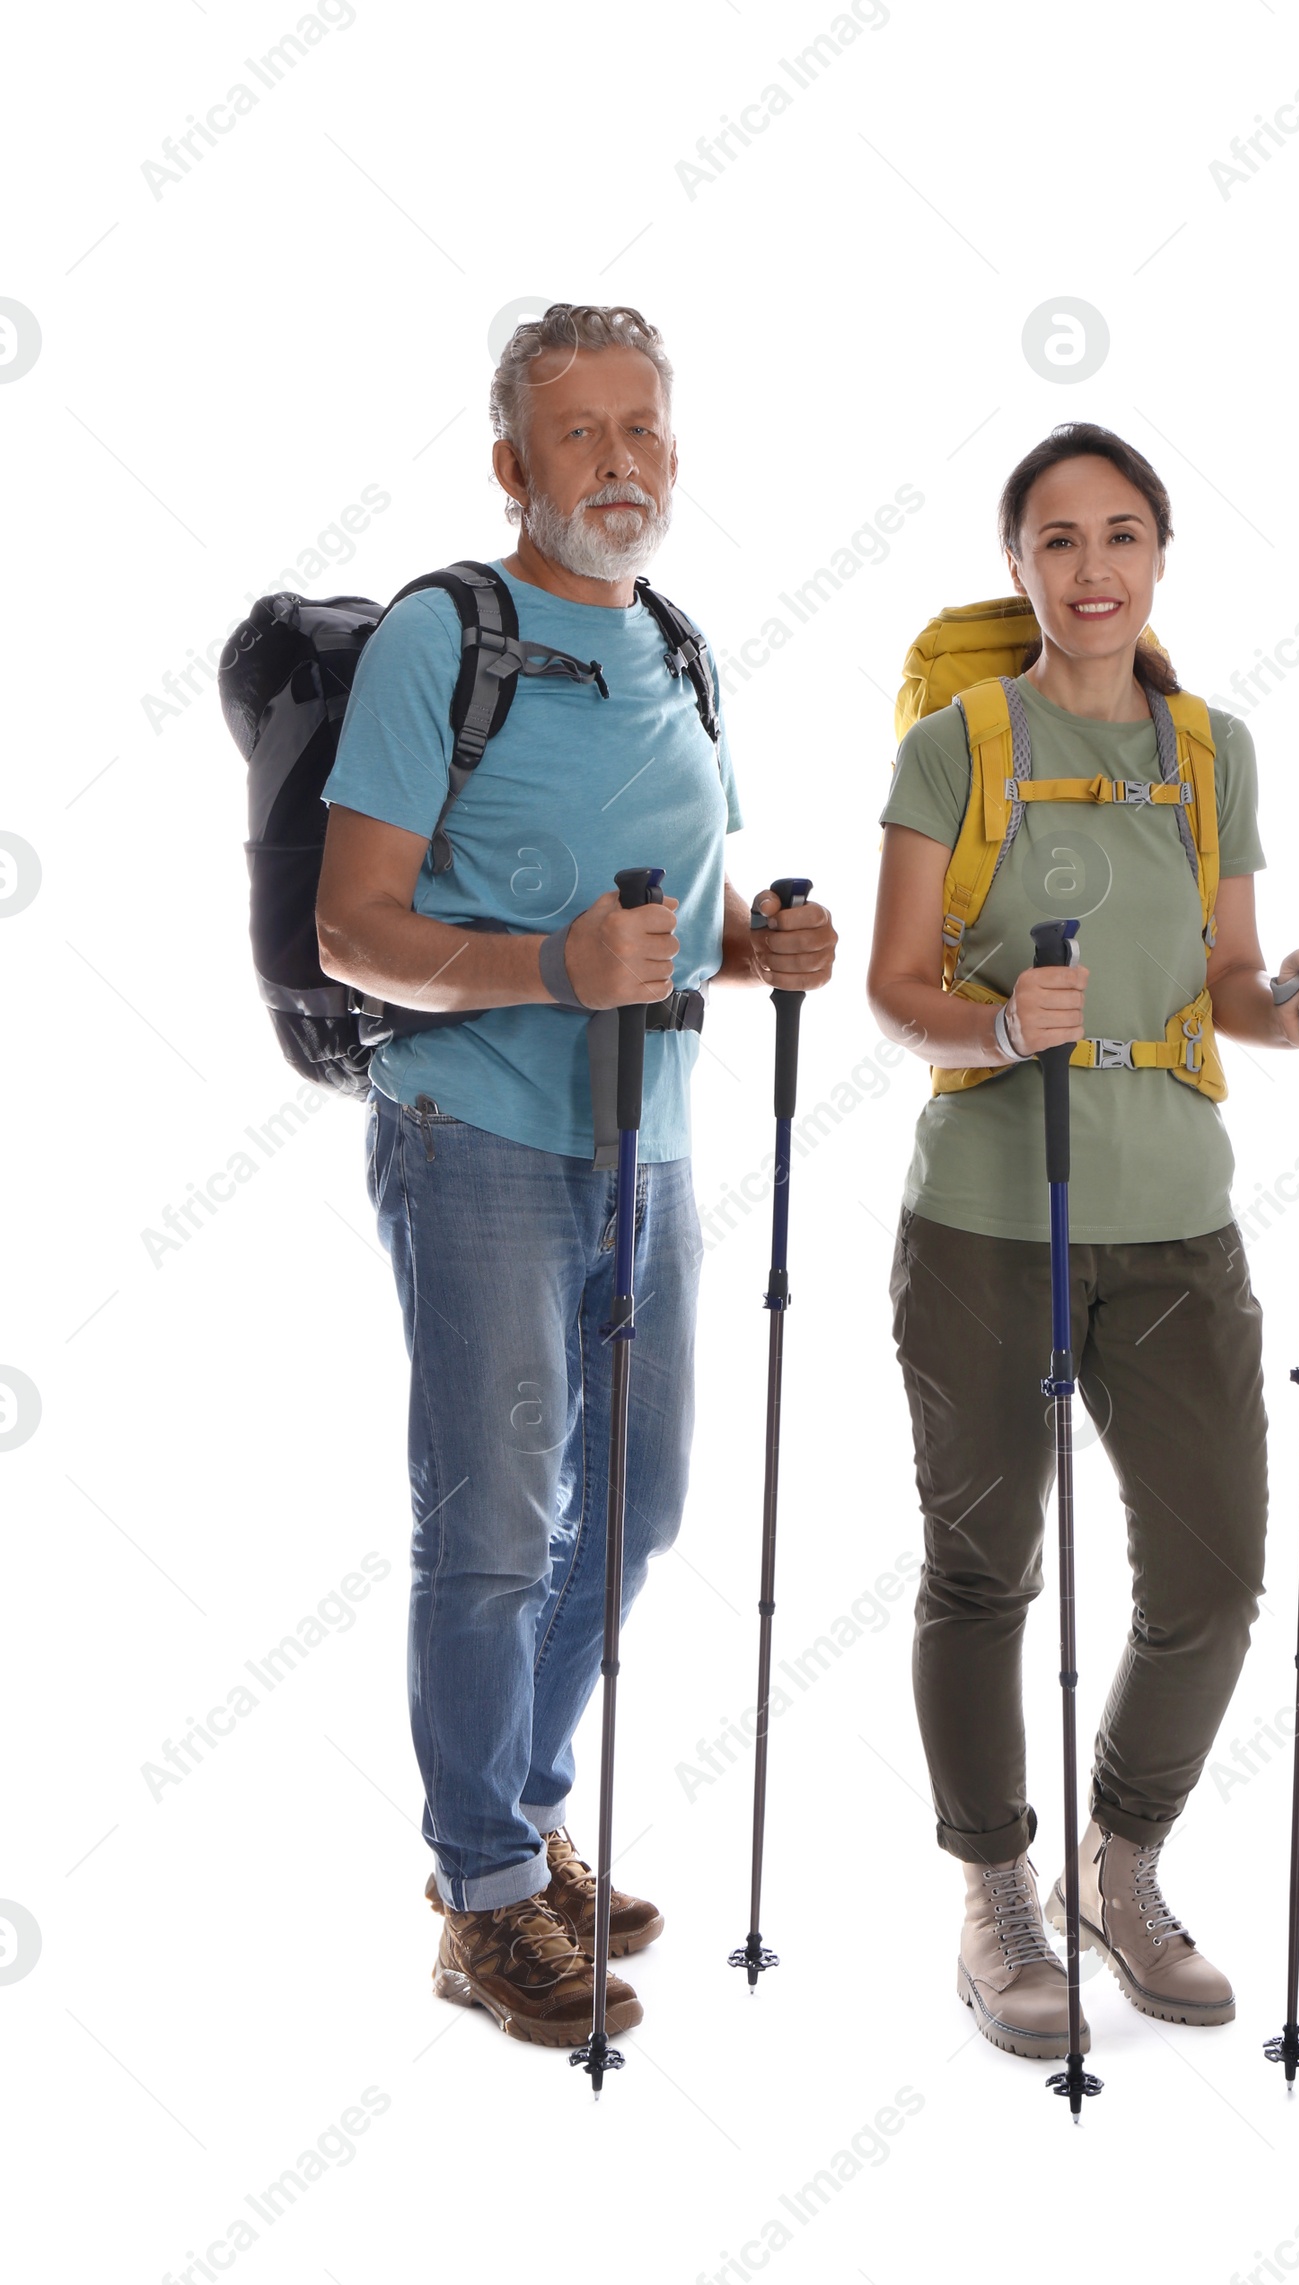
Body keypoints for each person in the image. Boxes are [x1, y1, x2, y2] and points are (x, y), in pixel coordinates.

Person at [315, 303, 836, 2048]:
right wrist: (545, 970)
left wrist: (765, 944)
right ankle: (478, 1899)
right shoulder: (435, 639)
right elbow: (354, 927)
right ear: (511, 465)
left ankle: (519, 1823)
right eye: (580, 431)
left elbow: (681, 914)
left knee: (638, 1505)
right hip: (475, 1137)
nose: (621, 459)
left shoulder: (677, 644)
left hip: (655, 1139)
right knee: (488, 1527)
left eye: (647, 429)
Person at [867, 421, 1299, 2060]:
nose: (1094, 569)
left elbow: (1224, 985)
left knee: (1214, 1580)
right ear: (1018, 566)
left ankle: (1118, 1862)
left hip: (1174, 1225)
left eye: (1123, 535)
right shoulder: (957, 742)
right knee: (981, 1570)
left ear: (1161, 559)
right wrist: (1006, 1025)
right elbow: (896, 987)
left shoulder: (1212, 750)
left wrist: (1295, 1004)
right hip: (990, 1222)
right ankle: (995, 1893)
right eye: (1060, 540)